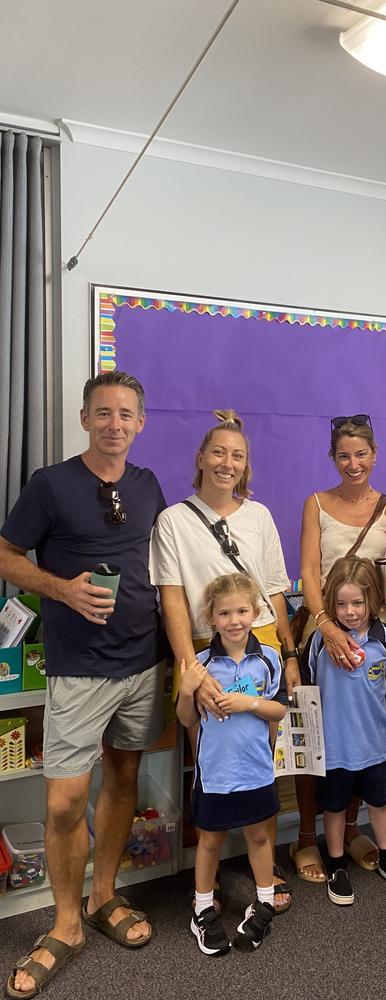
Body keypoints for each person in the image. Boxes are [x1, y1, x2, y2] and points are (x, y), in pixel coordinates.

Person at [1, 371, 167, 999]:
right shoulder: (50, 484)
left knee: (124, 778)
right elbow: (6, 555)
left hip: (143, 663)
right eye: (103, 413)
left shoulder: (149, 485)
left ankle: (103, 897)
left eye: (126, 414)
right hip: (78, 670)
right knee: (65, 801)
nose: (115, 424)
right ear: (84, 419)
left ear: (140, 423)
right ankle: (65, 925)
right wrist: (63, 589)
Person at [149, 409, 298, 912]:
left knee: (262, 759)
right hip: (203, 648)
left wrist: (289, 653)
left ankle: (264, 868)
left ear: (246, 464)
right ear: (200, 457)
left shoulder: (259, 517)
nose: (226, 463)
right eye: (218, 452)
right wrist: (192, 670)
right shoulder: (173, 520)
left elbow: (275, 591)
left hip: (261, 647)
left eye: (237, 455)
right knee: (209, 761)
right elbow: (172, 599)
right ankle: (205, 877)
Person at [293, 414, 386, 882]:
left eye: (361, 454)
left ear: (374, 455)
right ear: (332, 458)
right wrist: (326, 627)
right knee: (312, 735)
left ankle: (352, 828)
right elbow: (310, 571)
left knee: (357, 731)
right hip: (321, 632)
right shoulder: (315, 503)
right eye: (344, 455)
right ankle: (304, 837)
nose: (353, 463)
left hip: (367, 638)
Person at [177, 572, 287, 954]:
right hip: (216, 774)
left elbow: (279, 710)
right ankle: (203, 910)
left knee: (258, 836)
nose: (235, 620)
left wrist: (248, 703)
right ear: (211, 617)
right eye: (225, 613)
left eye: (242, 611)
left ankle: (264, 901)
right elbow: (186, 720)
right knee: (210, 840)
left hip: (256, 770)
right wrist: (188, 690)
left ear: (256, 612)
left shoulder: (268, 659)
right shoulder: (201, 664)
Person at [301, 556, 386, 905]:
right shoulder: (320, 643)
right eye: (341, 603)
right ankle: (336, 864)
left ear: (373, 600)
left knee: (379, 803)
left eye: (358, 603)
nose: (350, 612)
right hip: (334, 747)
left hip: (374, 745)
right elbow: (308, 681)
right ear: (331, 602)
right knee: (334, 807)